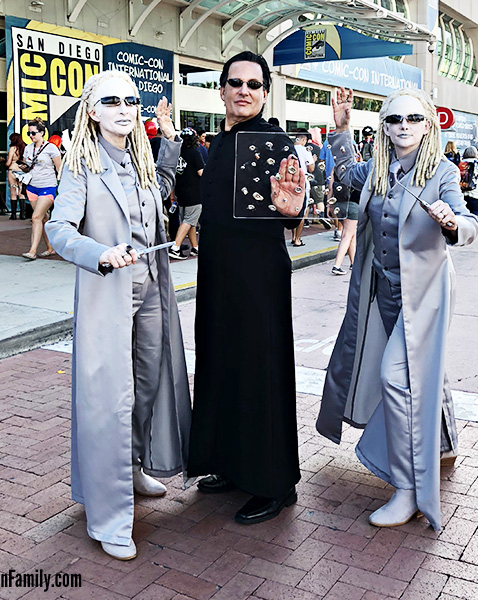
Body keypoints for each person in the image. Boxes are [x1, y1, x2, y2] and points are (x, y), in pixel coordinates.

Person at [316, 87, 478, 531]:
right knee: (424, 375)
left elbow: (469, 222)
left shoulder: (442, 171)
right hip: (383, 293)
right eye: (393, 119)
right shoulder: (379, 170)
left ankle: (408, 488)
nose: (403, 125)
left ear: (428, 124)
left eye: (412, 118)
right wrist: (342, 130)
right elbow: (349, 175)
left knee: (396, 378)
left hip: (424, 296)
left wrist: (451, 222)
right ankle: (442, 442)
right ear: (384, 127)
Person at [45, 70, 191, 561]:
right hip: (109, 292)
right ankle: (107, 516)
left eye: (131, 100)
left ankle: (130, 465)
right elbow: (59, 229)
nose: (125, 108)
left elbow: (162, 193)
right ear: (93, 110)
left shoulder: (141, 161)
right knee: (110, 397)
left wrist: (169, 144)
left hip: (151, 289)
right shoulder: (80, 166)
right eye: (112, 101)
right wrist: (100, 253)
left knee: (147, 383)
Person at [188, 51, 305, 525]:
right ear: (221, 90)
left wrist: (290, 208)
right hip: (218, 274)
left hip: (258, 276)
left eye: (254, 84)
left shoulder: (275, 142)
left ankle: (274, 483)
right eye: (235, 82)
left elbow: (293, 207)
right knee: (223, 363)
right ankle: (234, 465)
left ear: (264, 92)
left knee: (261, 370)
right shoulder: (219, 143)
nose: (244, 90)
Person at [21, 118, 61, 259]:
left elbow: (59, 169)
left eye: (33, 133)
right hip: (32, 186)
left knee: (36, 217)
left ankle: (32, 251)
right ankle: (51, 248)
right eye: (29, 133)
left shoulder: (51, 148)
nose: (31, 136)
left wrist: (62, 188)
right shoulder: (28, 148)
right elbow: (27, 167)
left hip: (48, 186)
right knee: (43, 218)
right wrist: (21, 168)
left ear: (42, 133)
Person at [169, 128, 204, 260]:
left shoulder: (177, 153)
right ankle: (176, 247)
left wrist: (172, 193)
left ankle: (195, 247)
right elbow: (201, 173)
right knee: (189, 220)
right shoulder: (195, 153)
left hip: (180, 191)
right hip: (195, 192)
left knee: (189, 221)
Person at [291, 129, 315, 245]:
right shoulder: (306, 150)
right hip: (303, 182)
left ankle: (293, 236)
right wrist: (313, 161)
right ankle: (297, 239)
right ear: (304, 139)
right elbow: (311, 169)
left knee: (292, 210)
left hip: (290, 183)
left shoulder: (289, 148)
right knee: (302, 211)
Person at [460, 146, 478, 216]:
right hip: (475, 192)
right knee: (474, 213)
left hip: (462, 191)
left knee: (463, 214)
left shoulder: (461, 163)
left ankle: (465, 226)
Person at [6, 133, 27, 220]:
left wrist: (5, 165)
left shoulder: (12, 148)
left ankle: (13, 214)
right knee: (21, 193)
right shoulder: (24, 148)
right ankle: (23, 214)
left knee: (13, 193)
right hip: (22, 171)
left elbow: (9, 162)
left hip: (12, 170)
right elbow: (25, 162)